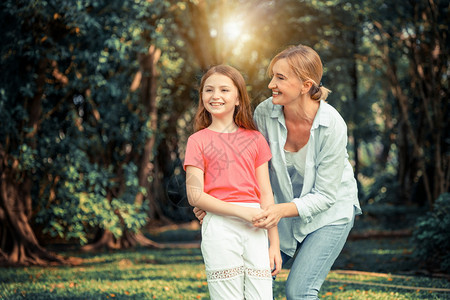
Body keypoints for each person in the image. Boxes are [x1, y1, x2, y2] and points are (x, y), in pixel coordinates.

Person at [194, 44, 362, 299]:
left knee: (299, 291)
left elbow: (326, 196)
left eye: (280, 78)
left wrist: (278, 211)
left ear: (306, 85)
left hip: (329, 213)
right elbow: (245, 163)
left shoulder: (332, 125)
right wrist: (212, 200)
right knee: (257, 278)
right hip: (278, 212)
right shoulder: (265, 113)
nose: (271, 83)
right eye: (272, 75)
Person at [184, 65, 282, 300]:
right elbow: (195, 196)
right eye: (209, 90)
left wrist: (274, 244)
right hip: (219, 228)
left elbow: (266, 195)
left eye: (224, 90)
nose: (215, 96)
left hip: (256, 227)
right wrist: (242, 213)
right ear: (202, 97)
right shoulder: (197, 141)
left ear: (238, 97)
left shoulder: (256, 139)